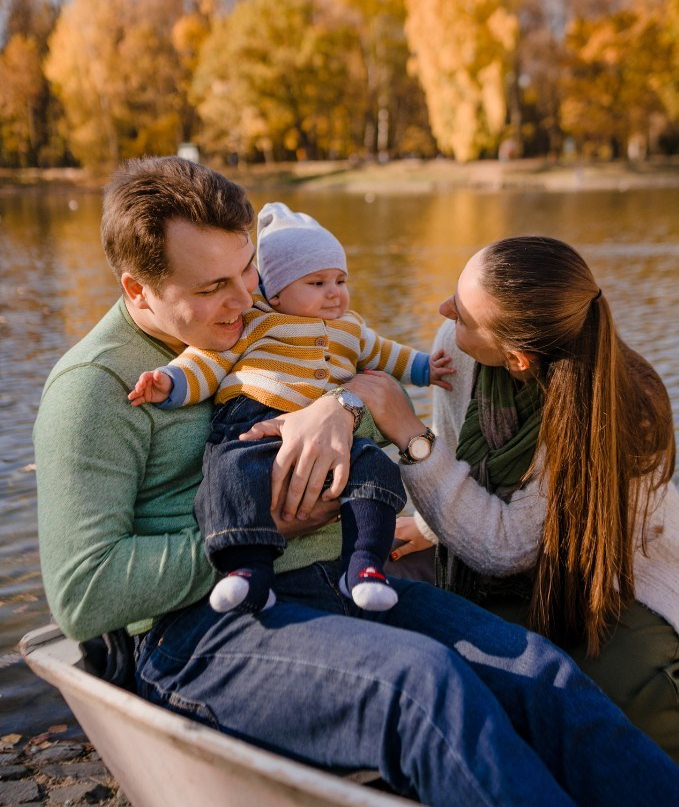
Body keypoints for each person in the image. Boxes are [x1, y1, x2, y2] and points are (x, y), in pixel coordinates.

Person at [33, 158, 679, 806]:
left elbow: (360, 388)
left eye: (247, 269)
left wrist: (339, 410)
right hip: (203, 632)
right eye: (211, 287)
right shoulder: (95, 388)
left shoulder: (262, 323)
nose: (243, 297)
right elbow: (85, 595)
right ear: (138, 289)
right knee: (422, 687)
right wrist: (258, 534)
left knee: (541, 673)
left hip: (337, 586)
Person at [350, 236, 679, 764]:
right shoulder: (457, 349)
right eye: (456, 292)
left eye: (461, 314)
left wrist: (410, 436)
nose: (443, 310)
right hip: (523, 556)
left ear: (518, 359)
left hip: (605, 574)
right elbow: (461, 465)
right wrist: (431, 528)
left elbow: (508, 547)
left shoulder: (603, 408)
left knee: (605, 699)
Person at [127, 201, 451, 615]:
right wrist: (169, 382)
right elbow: (206, 363)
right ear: (275, 293)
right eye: (316, 283)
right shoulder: (255, 324)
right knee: (229, 475)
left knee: (374, 468)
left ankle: (365, 565)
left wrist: (426, 369)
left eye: (340, 279)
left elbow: (389, 355)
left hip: (329, 432)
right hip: (252, 423)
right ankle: (247, 570)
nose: (334, 292)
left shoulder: (351, 327)